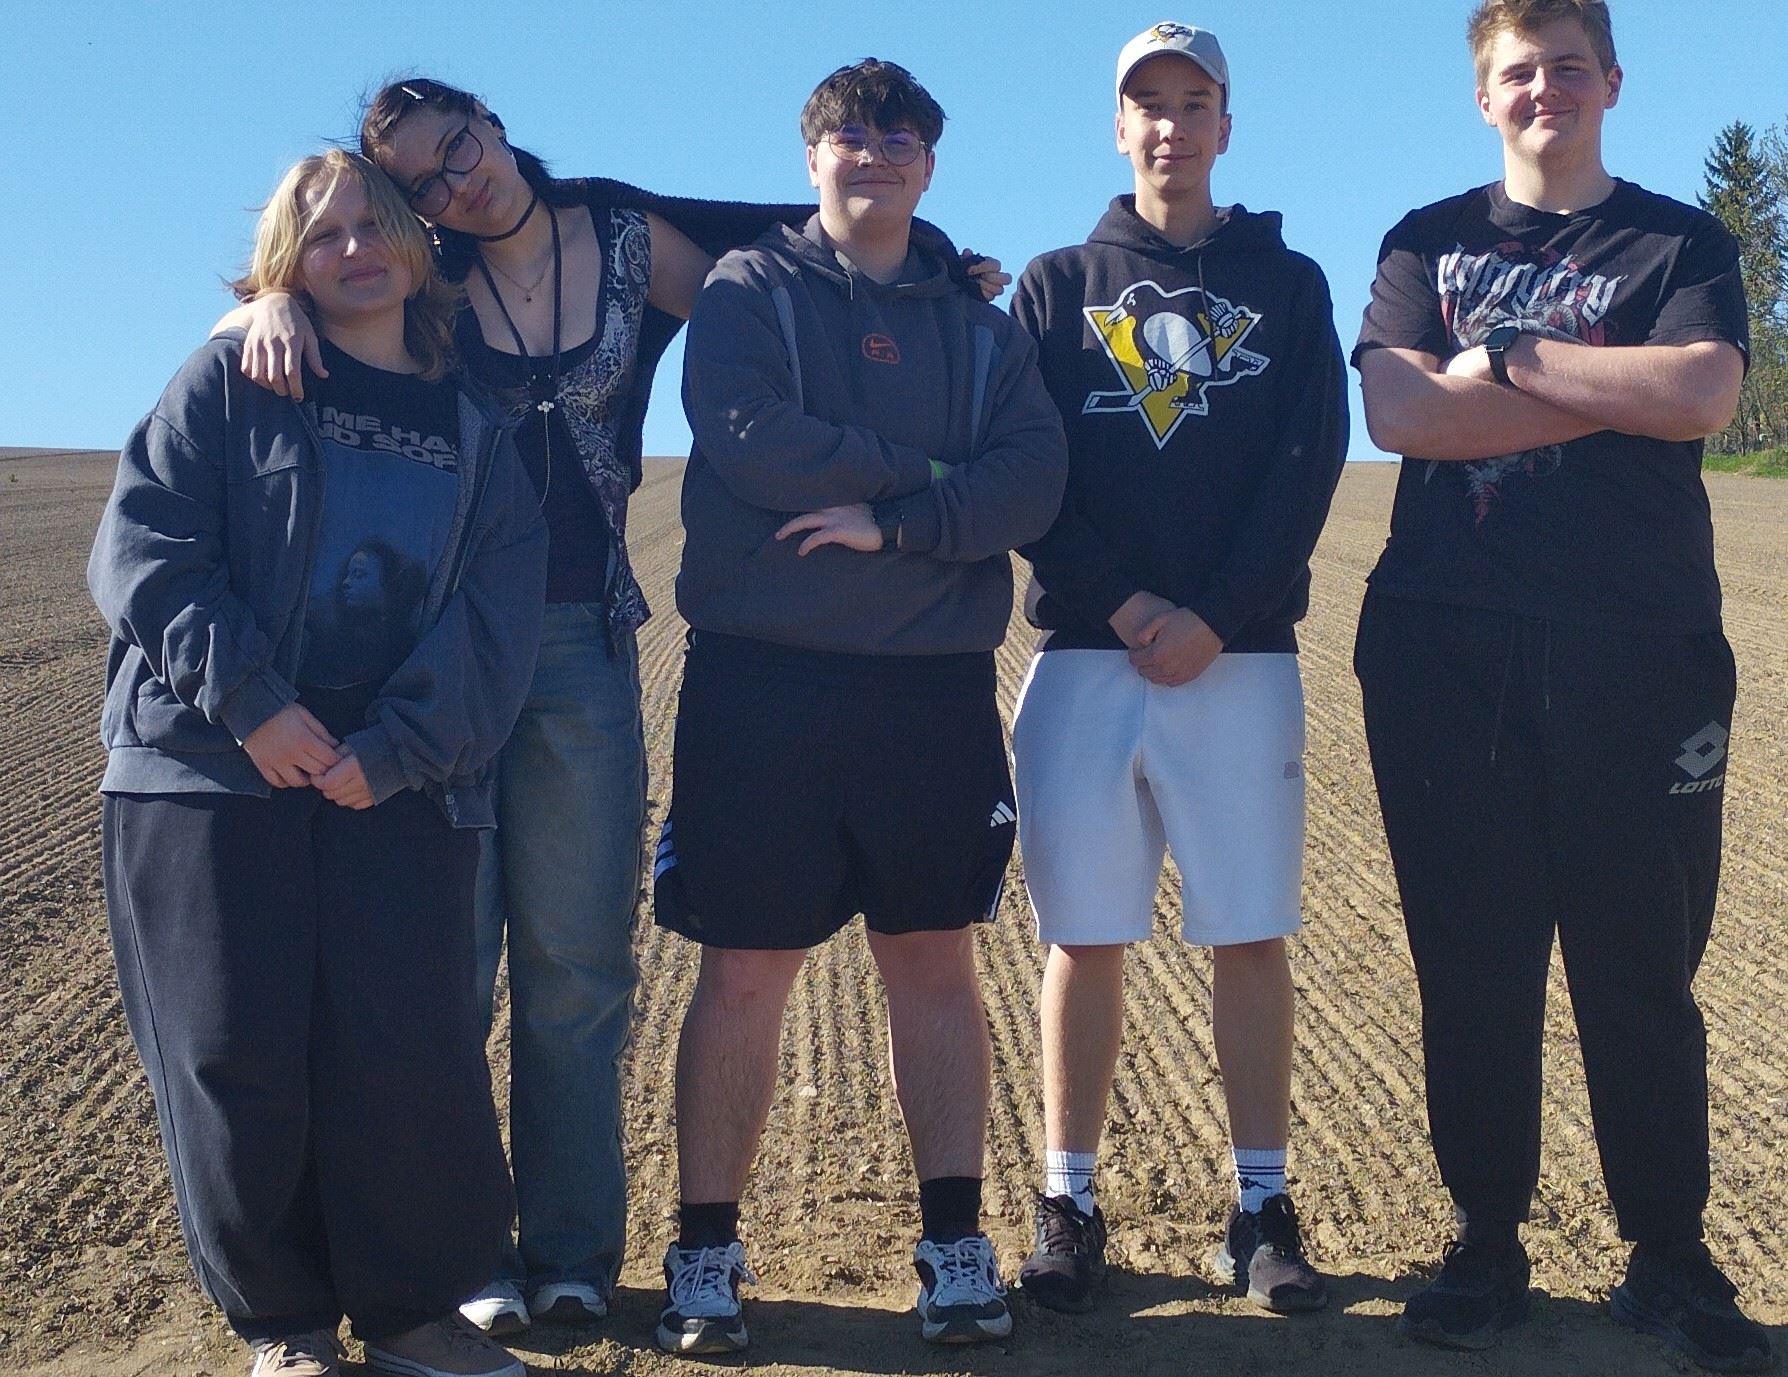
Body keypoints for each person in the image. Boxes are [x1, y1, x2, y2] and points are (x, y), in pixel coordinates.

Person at [225, 79, 1008, 1337]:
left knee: (579, 972)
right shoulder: (424, 282)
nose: (455, 183)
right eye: (422, 183)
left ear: (492, 124)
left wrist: (938, 264)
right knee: (437, 970)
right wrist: (265, 298)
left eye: (459, 148)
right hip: (429, 650)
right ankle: (457, 1251)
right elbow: (320, 282)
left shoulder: (633, 241)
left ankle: (575, 1253)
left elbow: (800, 242)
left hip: (578, 642)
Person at [1351, 2, 1769, 1369]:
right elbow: (1405, 415)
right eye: (1519, 72)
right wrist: (1610, 387)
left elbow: (1700, 391)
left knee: (1640, 963)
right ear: (1486, 96)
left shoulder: (1682, 243)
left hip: (1641, 649)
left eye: (1569, 67)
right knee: (1473, 964)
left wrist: (1515, 359)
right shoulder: (1423, 244)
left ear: (1613, 83)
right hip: (1443, 648)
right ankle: (1487, 1241)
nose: (1547, 89)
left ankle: (1669, 1254)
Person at [89, 148, 546, 1377]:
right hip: (210, 768)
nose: (354, 249)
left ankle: (410, 1314)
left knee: (407, 1053)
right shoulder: (231, 380)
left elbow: (498, 613)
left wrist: (397, 748)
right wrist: (253, 706)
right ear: (287, 261)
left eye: (373, 224)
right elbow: (146, 551)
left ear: (415, 244)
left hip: (394, 780)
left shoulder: (474, 429)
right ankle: (285, 1327)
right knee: (235, 1053)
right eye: (324, 232)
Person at [651, 57, 1067, 1356]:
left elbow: (1034, 481)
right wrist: (939, 475)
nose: (874, 154)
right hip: (762, 684)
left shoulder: (983, 331)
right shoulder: (747, 292)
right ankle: (706, 1250)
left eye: (899, 138)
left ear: (929, 166)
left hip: (929, 693)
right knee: (743, 969)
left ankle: (955, 1248)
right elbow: (750, 437)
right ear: (811, 155)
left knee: (934, 961)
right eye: (850, 135)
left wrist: (897, 521)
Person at [1006, 21, 1348, 1318]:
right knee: (1082, 938)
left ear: (1225, 125)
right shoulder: (1056, 286)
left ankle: (1261, 1207)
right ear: (1118, 125)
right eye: (1147, 103)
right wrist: (1128, 600)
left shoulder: (1291, 285)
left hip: (1239, 661)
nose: (1169, 124)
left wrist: (1213, 612)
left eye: (1193, 102)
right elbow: (1030, 468)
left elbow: (1306, 467)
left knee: (1249, 932)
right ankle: (1069, 1204)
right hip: (1087, 657)